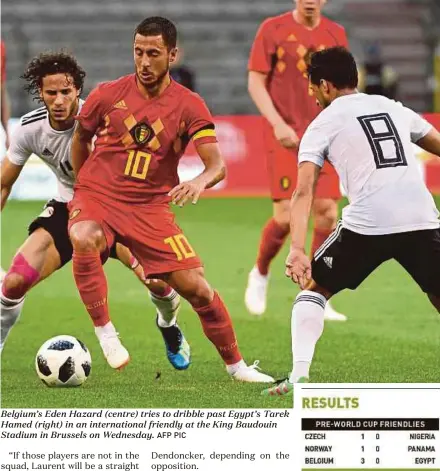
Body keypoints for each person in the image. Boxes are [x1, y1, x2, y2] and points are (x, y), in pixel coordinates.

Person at [68, 16, 274, 383]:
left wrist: (198, 182)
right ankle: (106, 334)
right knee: (84, 237)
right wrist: (83, 186)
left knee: (196, 287)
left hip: (149, 208)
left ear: (172, 55)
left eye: (153, 53)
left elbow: (218, 166)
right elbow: (81, 139)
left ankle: (236, 366)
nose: (144, 62)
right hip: (99, 197)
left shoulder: (188, 104)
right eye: (138, 52)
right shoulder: (107, 94)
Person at [263, 46, 440, 396]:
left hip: (368, 223)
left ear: (325, 85)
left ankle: (299, 377)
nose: (313, 95)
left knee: (314, 290)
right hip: (420, 215)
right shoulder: (391, 106)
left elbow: (303, 192)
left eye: (313, 87)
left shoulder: (321, 124)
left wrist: (297, 249)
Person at [0, 51, 191, 372]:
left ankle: (168, 325)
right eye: (51, 93)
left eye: (66, 92)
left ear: (78, 91)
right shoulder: (30, 130)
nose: (59, 100)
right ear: (40, 92)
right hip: (68, 209)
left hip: (121, 210)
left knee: (160, 285)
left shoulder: (106, 118)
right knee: (14, 282)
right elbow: (4, 185)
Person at [245, 0, 348, 321]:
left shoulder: (336, 33)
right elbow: (255, 80)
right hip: (284, 135)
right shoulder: (272, 29)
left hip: (325, 133)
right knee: (287, 214)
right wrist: (276, 123)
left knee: (328, 213)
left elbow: (343, 87)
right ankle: (260, 273)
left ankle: (314, 290)